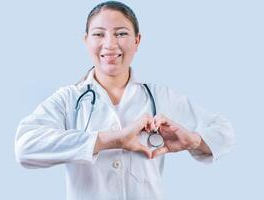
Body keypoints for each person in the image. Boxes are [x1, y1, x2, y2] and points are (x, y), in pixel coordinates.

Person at [15, 1, 235, 199]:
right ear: (86, 40)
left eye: (121, 33)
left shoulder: (161, 96)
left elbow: (224, 132)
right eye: (99, 34)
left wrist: (194, 141)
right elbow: (25, 146)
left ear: (137, 41)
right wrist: (111, 140)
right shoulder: (69, 99)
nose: (110, 44)